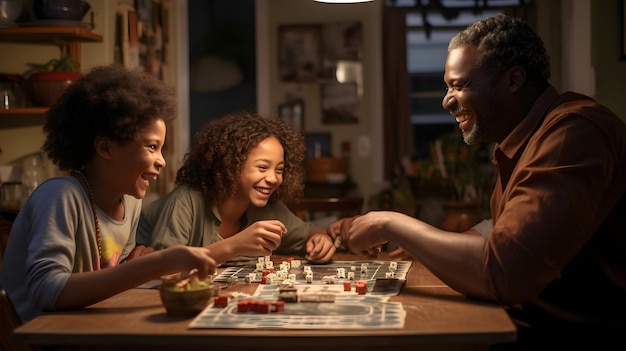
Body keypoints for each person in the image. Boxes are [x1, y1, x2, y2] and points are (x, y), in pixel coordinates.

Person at [332, 14, 626, 348]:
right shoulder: (525, 138)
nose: (446, 100)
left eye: (459, 85)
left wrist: (389, 223)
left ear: (514, 80)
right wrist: (421, 247)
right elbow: (503, 230)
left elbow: (503, 271)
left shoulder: (574, 132)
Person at [0, 64, 217, 323]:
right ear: (105, 147)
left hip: (86, 330)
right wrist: (157, 264)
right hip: (34, 341)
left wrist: (130, 270)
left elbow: (109, 283)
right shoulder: (60, 196)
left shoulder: (130, 203)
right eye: (151, 147)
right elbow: (47, 292)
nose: (162, 161)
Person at [135, 111, 336, 265]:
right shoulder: (186, 201)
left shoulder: (267, 209)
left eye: (280, 169)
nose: (273, 178)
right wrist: (235, 245)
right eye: (263, 167)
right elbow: (163, 267)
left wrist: (320, 239)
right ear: (231, 163)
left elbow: (311, 232)